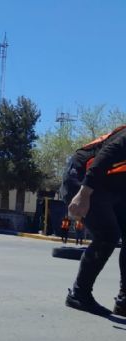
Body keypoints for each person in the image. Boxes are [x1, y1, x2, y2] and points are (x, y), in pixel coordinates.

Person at [64, 125, 126, 316]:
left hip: (112, 186)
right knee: (108, 234)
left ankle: (124, 302)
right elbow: (104, 157)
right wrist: (83, 195)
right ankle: (79, 293)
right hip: (83, 176)